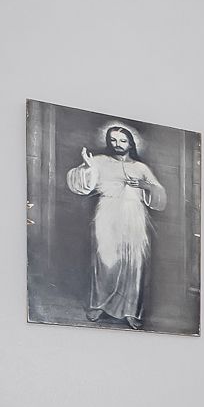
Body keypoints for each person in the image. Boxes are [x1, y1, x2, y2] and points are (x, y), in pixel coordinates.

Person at [64, 121, 167, 328]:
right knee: (105, 260)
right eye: (113, 140)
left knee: (133, 262)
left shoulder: (140, 167)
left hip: (134, 216)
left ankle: (130, 311)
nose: (117, 144)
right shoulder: (100, 161)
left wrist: (145, 185)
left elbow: (160, 194)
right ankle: (99, 305)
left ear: (131, 143)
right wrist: (87, 168)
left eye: (122, 141)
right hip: (107, 213)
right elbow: (79, 182)